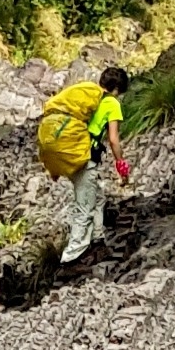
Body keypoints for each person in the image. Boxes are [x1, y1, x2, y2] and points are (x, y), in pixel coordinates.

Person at [35, 62, 131, 265]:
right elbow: (113, 140)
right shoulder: (111, 103)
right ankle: (72, 256)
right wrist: (121, 165)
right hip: (85, 158)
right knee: (84, 205)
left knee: (97, 196)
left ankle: (97, 240)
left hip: (70, 153)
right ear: (116, 90)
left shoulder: (87, 101)